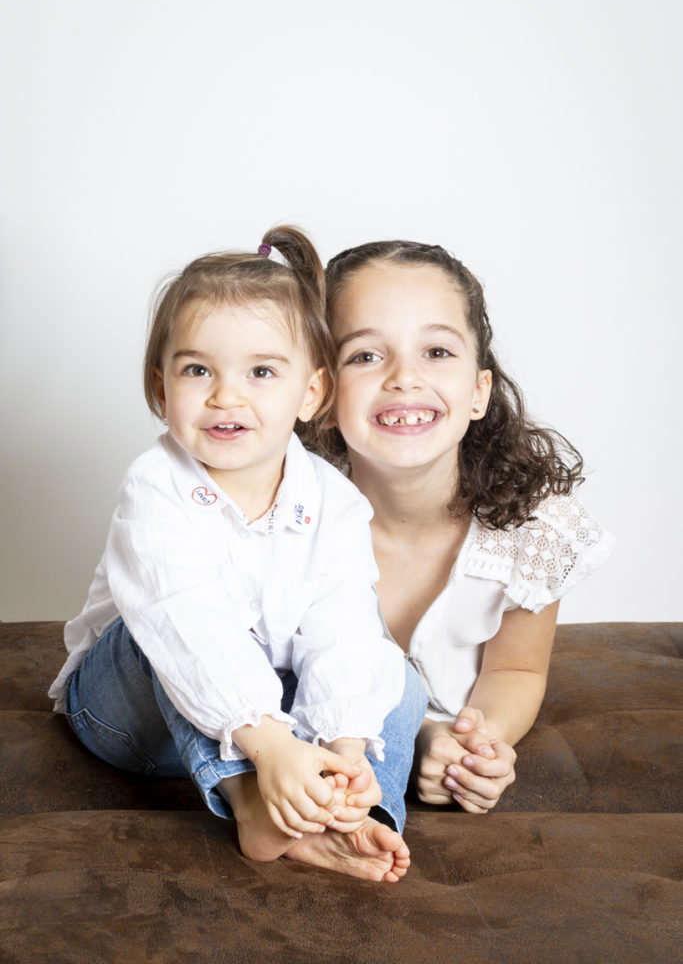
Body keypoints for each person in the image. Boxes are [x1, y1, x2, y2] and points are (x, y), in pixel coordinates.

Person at [49, 227, 427, 883]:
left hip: (273, 724)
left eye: (260, 372)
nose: (226, 396)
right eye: (198, 370)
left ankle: (349, 818)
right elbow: (184, 621)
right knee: (164, 631)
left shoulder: (334, 503)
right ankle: (249, 799)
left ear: (310, 394)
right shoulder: (155, 485)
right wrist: (272, 746)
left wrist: (340, 746)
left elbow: (341, 629)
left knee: (391, 675)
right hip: (131, 717)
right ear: (161, 388)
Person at [310, 239, 614, 814]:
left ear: (480, 390)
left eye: (438, 352)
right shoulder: (289, 522)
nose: (404, 378)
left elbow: (518, 667)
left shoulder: (533, 530)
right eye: (365, 356)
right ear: (320, 392)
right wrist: (421, 732)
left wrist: (479, 743)